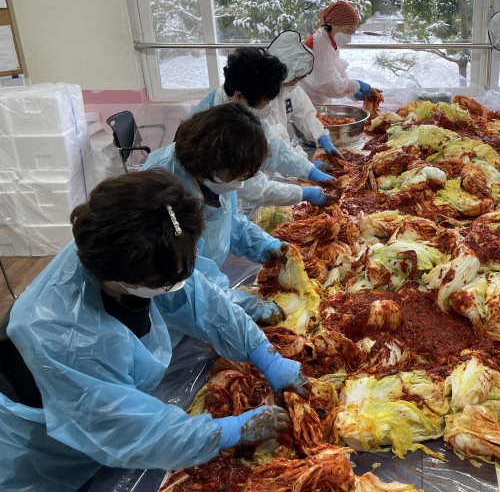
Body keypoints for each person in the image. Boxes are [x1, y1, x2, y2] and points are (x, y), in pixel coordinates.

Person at [0, 170, 307, 491]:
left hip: (94, 407)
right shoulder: (64, 332)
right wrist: (229, 431)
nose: (181, 279)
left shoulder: (136, 248)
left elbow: (201, 299)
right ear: (128, 276)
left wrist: (264, 353)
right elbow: (129, 429)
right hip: (35, 443)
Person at [143, 103, 289, 321]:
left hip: (206, 293)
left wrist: (266, 246)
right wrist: (249, 306)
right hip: (169, 308)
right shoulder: (163, 192)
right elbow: (188, 283)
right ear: (213, 160)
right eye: (237, 174)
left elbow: (228, 220)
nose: (240, 182)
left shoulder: (212, 175)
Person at [191, 47, 337, 207]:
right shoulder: (217, 127)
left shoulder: (242, 107)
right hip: (198, 201)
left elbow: (275, 147)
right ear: (239, 96)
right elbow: (251, 186)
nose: (268, 108)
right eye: (266, 102)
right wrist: (302, 194)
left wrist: (309, 171)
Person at [298, 1, 377, 124]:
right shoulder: (320, 43)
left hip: (317, 101)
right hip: (308, 101)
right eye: (349, 30)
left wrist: (353, 92)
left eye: (353, 32)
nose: (350, 36)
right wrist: (356, 85)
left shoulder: (328, 40)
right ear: (335, 24)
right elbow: (330, 84)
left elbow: (336, 71)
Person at [265, 30, 330, 156]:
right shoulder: (261, 97)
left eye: (299, 78)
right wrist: (303, 162)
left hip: (281, 155)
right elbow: (274, 143)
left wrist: (321, 136)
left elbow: (305, 115)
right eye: (294, 78)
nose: (296, 83)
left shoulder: (291, 90)